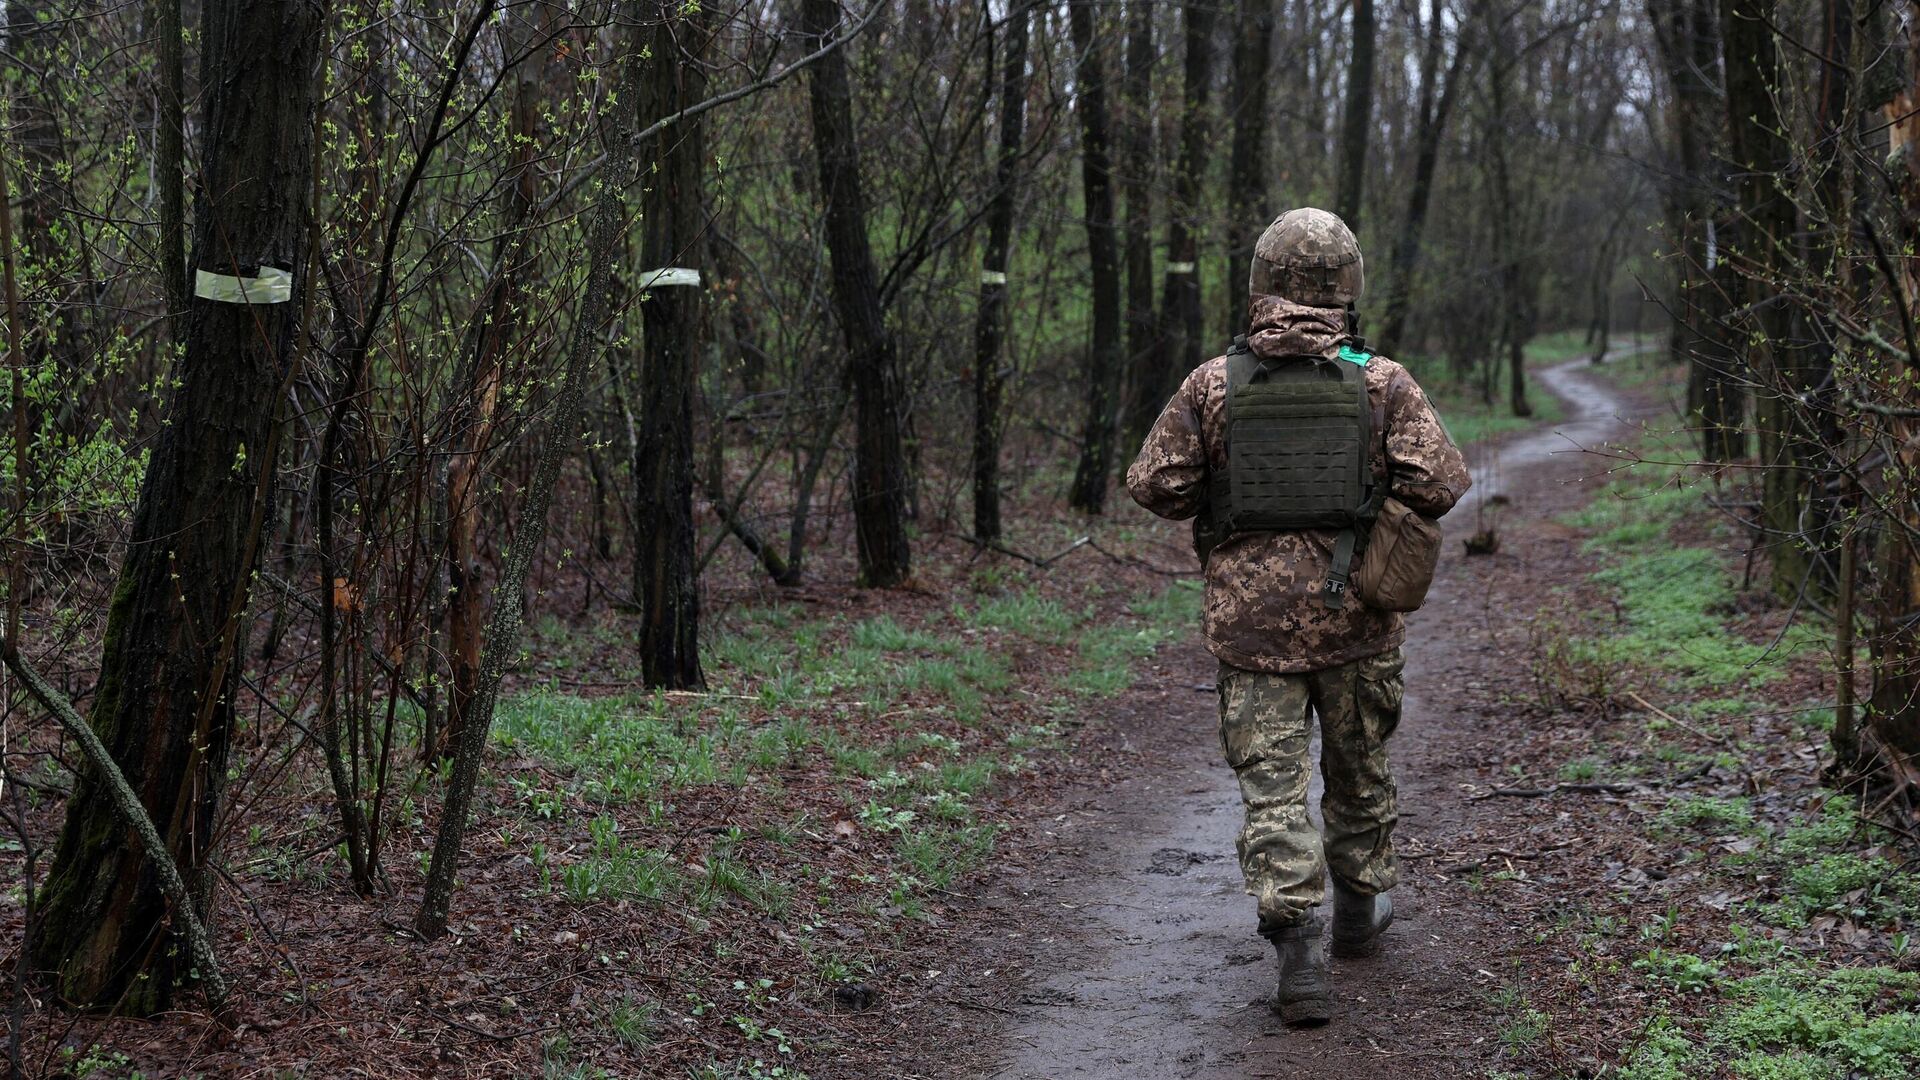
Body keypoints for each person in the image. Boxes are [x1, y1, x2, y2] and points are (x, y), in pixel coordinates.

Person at [1124, 207, 1470, 1026]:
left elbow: (1155, 487)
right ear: (1346, 287)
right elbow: (1443, 484)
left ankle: (1300, 954)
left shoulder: (1213, 383)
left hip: (1250, 631)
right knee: (1358, 772)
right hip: (1357, 623)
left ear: (1261, 285)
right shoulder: (1380, 380)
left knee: (1273, 790)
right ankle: (1358, 914)